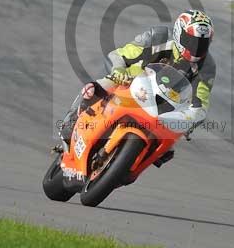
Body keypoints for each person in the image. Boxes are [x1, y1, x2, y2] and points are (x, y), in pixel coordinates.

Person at [57, 9, 215, 166]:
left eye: (202, 43)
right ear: (179, 34)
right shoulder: (158, 37)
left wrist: (190, 120)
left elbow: (201, 103)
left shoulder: (207, 67)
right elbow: (119, 55)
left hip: (166, 106)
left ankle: (132, 166)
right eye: (191, 41)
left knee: (168, 147)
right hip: (131, 83)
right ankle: (71, 122)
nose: (196, 48)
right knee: (95, 88)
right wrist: (119, 71)